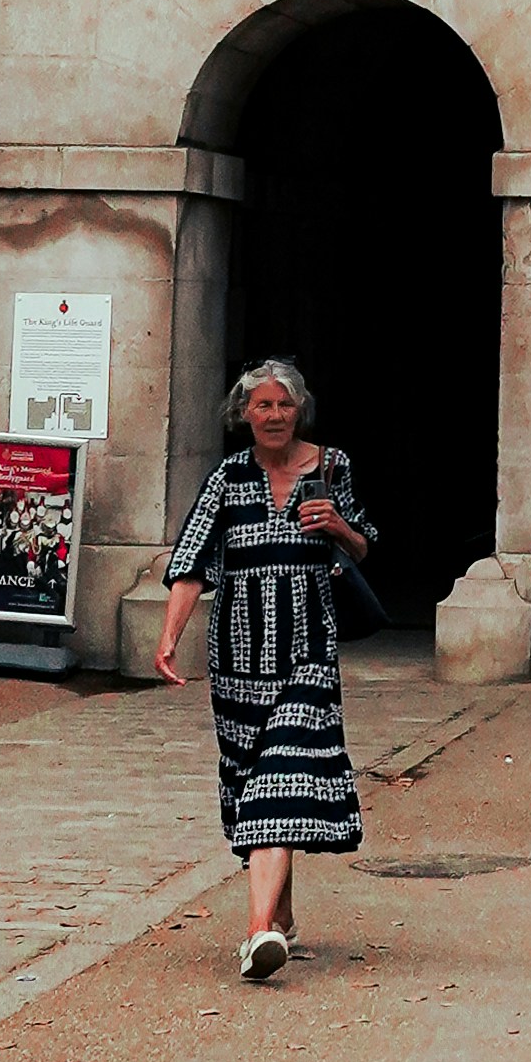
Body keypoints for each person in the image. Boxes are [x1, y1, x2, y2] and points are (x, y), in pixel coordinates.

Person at [157, 358, 373, 975]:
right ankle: (279, 913)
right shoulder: (227, 478)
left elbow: (364, 544)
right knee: (254, 784)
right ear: (243, 415)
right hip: (238, 662)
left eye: (284, 405)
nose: (274, 415)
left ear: (300, 409)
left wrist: (338, 527)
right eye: (262, 406)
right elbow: (191, 560)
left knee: (283, 771)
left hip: (308, 652)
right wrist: (170, 637)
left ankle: (256, 935)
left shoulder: (333, 467)